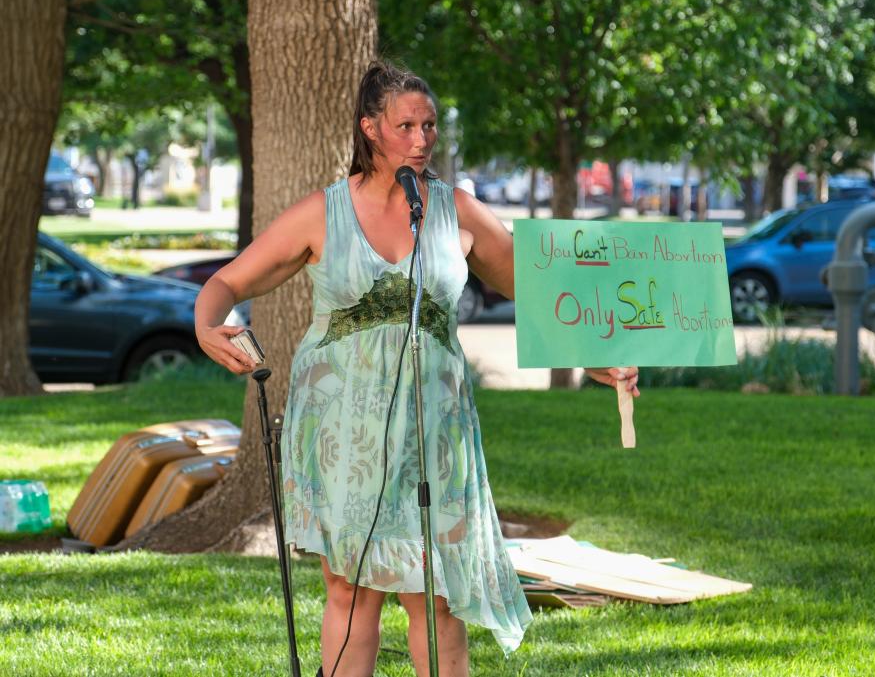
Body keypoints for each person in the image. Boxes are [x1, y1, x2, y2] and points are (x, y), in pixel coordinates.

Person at [195, 60, 640, 677]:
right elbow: (228, 280)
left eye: (430, 125)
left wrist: (597, 355)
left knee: (436, 594)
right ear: (370, 128)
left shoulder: (456, 210)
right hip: (343, 427)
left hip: (435, 426)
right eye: (406, 125)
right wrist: (207, 321)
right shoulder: (323, 214)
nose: (422, 138)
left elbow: (536, 289)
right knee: (353, 588)